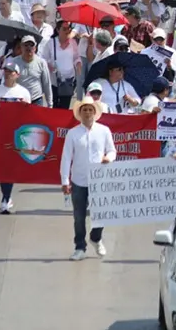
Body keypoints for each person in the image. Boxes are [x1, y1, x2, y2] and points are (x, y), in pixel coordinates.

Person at [61, 97, 116, 260]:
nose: (87, 112)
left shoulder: (104, 131)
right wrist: (65, 181)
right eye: (84, 110)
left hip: (99, 180)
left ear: (94, 112)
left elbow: (112, 150)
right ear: (80, 113)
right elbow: (66, 158)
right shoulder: (73, 133)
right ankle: (80, 247)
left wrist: (108, 158)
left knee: (102, 213)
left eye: (90, 109)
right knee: (79, 217)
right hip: (79, 180)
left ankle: (96, 238)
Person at [0, 63, 31, 213]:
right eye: (6, 71)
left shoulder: (23, 92)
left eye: (11, 72)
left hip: (17, 134)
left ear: (17, 74)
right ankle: (6, 196)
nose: (8, 74)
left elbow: (30, 117)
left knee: (11, 167)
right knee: (2, 166)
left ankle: (6, 196)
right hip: (0, 132)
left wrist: (25, 108)